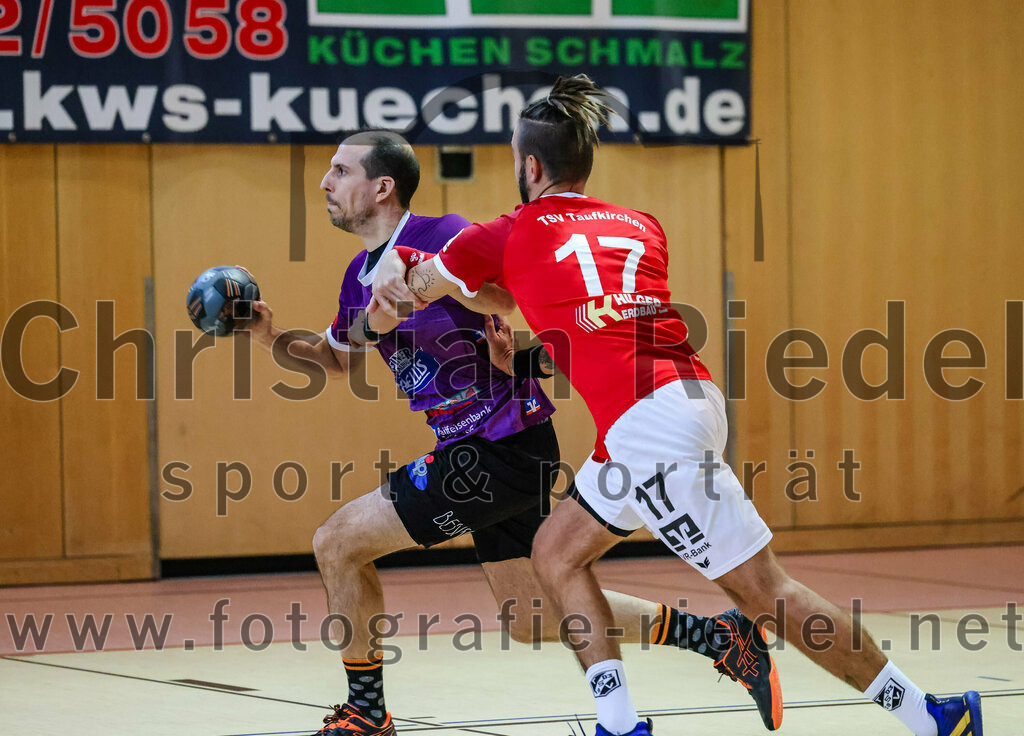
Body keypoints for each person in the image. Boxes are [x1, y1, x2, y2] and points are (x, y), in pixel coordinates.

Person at [373, 77, 985, 736]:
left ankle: (929, 716)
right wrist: (521, 358)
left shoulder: (508, 231)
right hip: (681, 398)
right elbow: (598, 324)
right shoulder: (640, 227)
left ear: (530, 166)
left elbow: (417, 285)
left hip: (649, 424)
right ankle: (619, 721)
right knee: (554, 554)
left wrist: (396, 268)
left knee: (762, 592)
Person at [243, 131, 782, 736]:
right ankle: (717, 637)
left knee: (337, 543)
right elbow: (337, 359)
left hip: (500, 442)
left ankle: (366, 714)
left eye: (340, 171)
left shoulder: (441, 235)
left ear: (381, 187)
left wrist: (428, 289)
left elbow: (510, 295)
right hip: (480, 449)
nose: (326, 183)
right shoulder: (356, 275)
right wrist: (267, 337)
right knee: (530, 616)